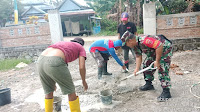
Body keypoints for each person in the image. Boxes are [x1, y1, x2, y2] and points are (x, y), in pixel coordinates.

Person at [36, 38, 88, 112]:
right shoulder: (80, 47)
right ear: (81, 44)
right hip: (55, 61)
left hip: (40, 60)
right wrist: (83, 81)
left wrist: (53, 81)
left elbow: (57, 66)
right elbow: (82, 67)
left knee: (49, 91)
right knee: (71, 91)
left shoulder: (63, 43)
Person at [121, 31, 173, 101]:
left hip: (164, 48)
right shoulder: (135, 45)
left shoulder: (144, 40)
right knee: (146, 65)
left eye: (126, 44)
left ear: (130, 41)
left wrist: (157, 61)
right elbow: (138, 56)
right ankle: (149, 84)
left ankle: (166, 91)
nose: (127, 46)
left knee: (162, 68)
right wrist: (136, 69)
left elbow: (159, 45)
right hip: (155, 50)